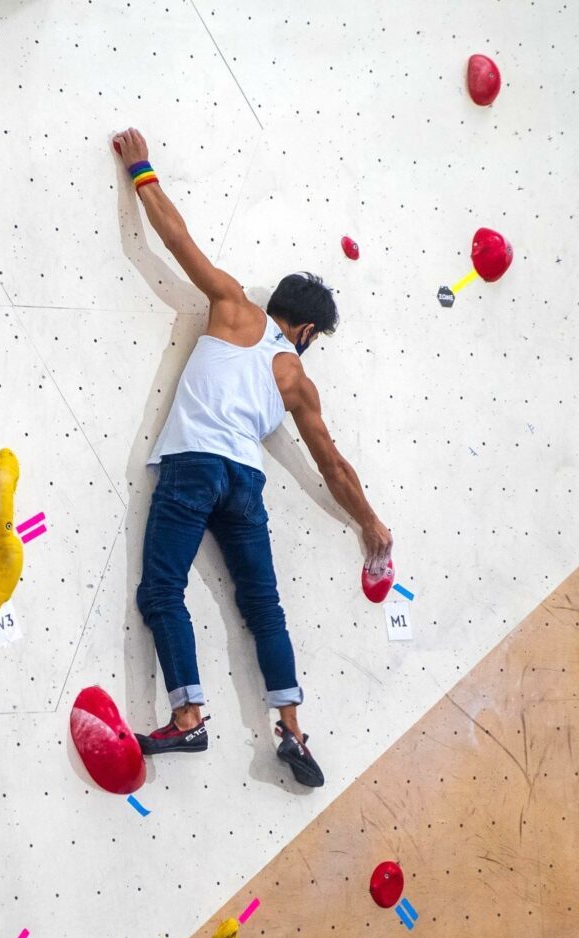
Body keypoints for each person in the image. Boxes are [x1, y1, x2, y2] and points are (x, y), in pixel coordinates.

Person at [112, 128, 393, 788]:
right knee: (264, 610)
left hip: (191, 467)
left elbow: (177, 239)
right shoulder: (295, 375)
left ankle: (188, 717)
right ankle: (291, 731)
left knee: (160, 590)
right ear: (303, 327)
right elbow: (334, 467)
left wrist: (141, 168)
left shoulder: (233, 307)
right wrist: (370, 526)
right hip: (244, 483)